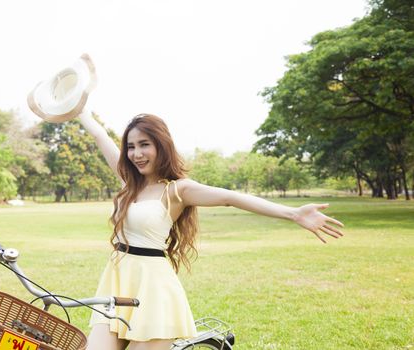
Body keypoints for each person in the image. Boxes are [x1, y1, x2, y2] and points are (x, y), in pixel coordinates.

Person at [78, 110, 344, 350]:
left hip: (154, 289)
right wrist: (81, 110)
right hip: (117, 281)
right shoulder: (129, 181)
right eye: (131, 147)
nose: (136, 154)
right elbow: (101, 136)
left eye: (145, 145)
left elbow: (230, 197)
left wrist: (293, 213)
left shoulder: (178, 190)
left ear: (161, 146)